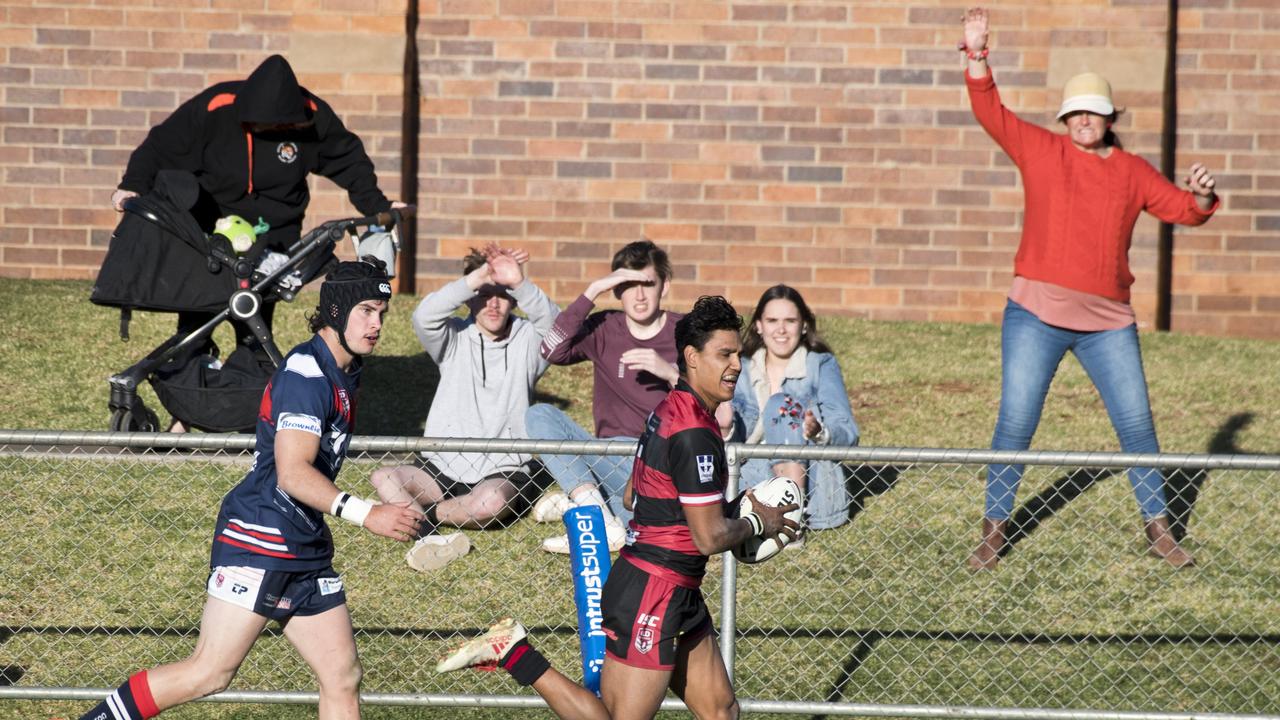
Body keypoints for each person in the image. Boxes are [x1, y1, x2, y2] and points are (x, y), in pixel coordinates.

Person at [76, 259, 424, 720]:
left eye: (382, 312)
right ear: (336, 312)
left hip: (303, 543)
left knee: (342, 676)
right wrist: (367, 513)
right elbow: (292, 474)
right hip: (261, 538)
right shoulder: (306, 374)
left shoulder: (344, 368)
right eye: (366, 310)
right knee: (210, 672)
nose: (376, 324)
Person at [435, 296, 799, 720]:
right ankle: (515, 653)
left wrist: (724, 512)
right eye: (725, 354)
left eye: (738, 353)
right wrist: (760, 521)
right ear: (691, 357)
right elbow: (709, 536)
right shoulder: (694, 432)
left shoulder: (668, 410)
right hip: (653, 590)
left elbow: (633, 496)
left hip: (677, 587)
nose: (736, 364)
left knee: (721, 712)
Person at [959, 8, 1218, 571]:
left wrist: (1198, 197)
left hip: (1109, 323)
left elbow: (1182, 209)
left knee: (1136, 424)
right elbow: (991, 111)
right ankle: (994, 530)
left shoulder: (1131, 170)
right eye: (1074, 112)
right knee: (1017, 420)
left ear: (1109, 118)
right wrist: (978, 55)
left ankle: (1160, 531)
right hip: (1035, 313)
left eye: (1094, 112)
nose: (1083, 120)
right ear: (1064, 118)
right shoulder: (1041, 151)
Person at [109, 54, 404, 430]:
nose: (278, 128)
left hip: (275, 233)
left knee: (254, 317)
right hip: (211, 230)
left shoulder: (312, 114)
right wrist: (133, 185)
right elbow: (160, 146)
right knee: (197, 313)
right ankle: (185, 409)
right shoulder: (216, 108)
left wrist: (377, 208)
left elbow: (349, 160)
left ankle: (246, 403)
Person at [369, 244, 560, 572]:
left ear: (512, 298)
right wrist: (476, 278)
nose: (493, 303)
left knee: (490, 504)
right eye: (484, 293)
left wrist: (520, 283)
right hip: (442, 463)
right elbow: (423, 316)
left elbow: (558, 325)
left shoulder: (528, 340)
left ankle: (421, 516)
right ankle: (432, 536)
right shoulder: (453, 338)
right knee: (384, 477)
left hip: (501, 468)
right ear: (470, 297)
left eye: (502, 294)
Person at [525, 240, 683, 554]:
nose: (638, 295)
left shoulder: (685, 330)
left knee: (641, 527)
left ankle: (582, 513)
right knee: (540, 414)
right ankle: (595, 519)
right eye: (627, 285)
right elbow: (551, 350)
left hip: (656, 463)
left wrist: (670, 373)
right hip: (606, 454)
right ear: (616, 290)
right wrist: (591, 292)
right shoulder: (606, 326)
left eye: (647, 284)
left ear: (664, 286)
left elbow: (712, 404)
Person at [718, 285, 859, 538]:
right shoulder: (741, 368)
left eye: (790, 321)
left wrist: (819, 432)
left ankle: (791, 519)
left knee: (779, 404)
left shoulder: (820, 364)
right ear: (759, 325)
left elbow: (848, 433)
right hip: (755, 477)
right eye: (772, 320)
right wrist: (727, 428)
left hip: (816, 489)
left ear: (803, 325)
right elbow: (733, 444)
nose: (781, 329)